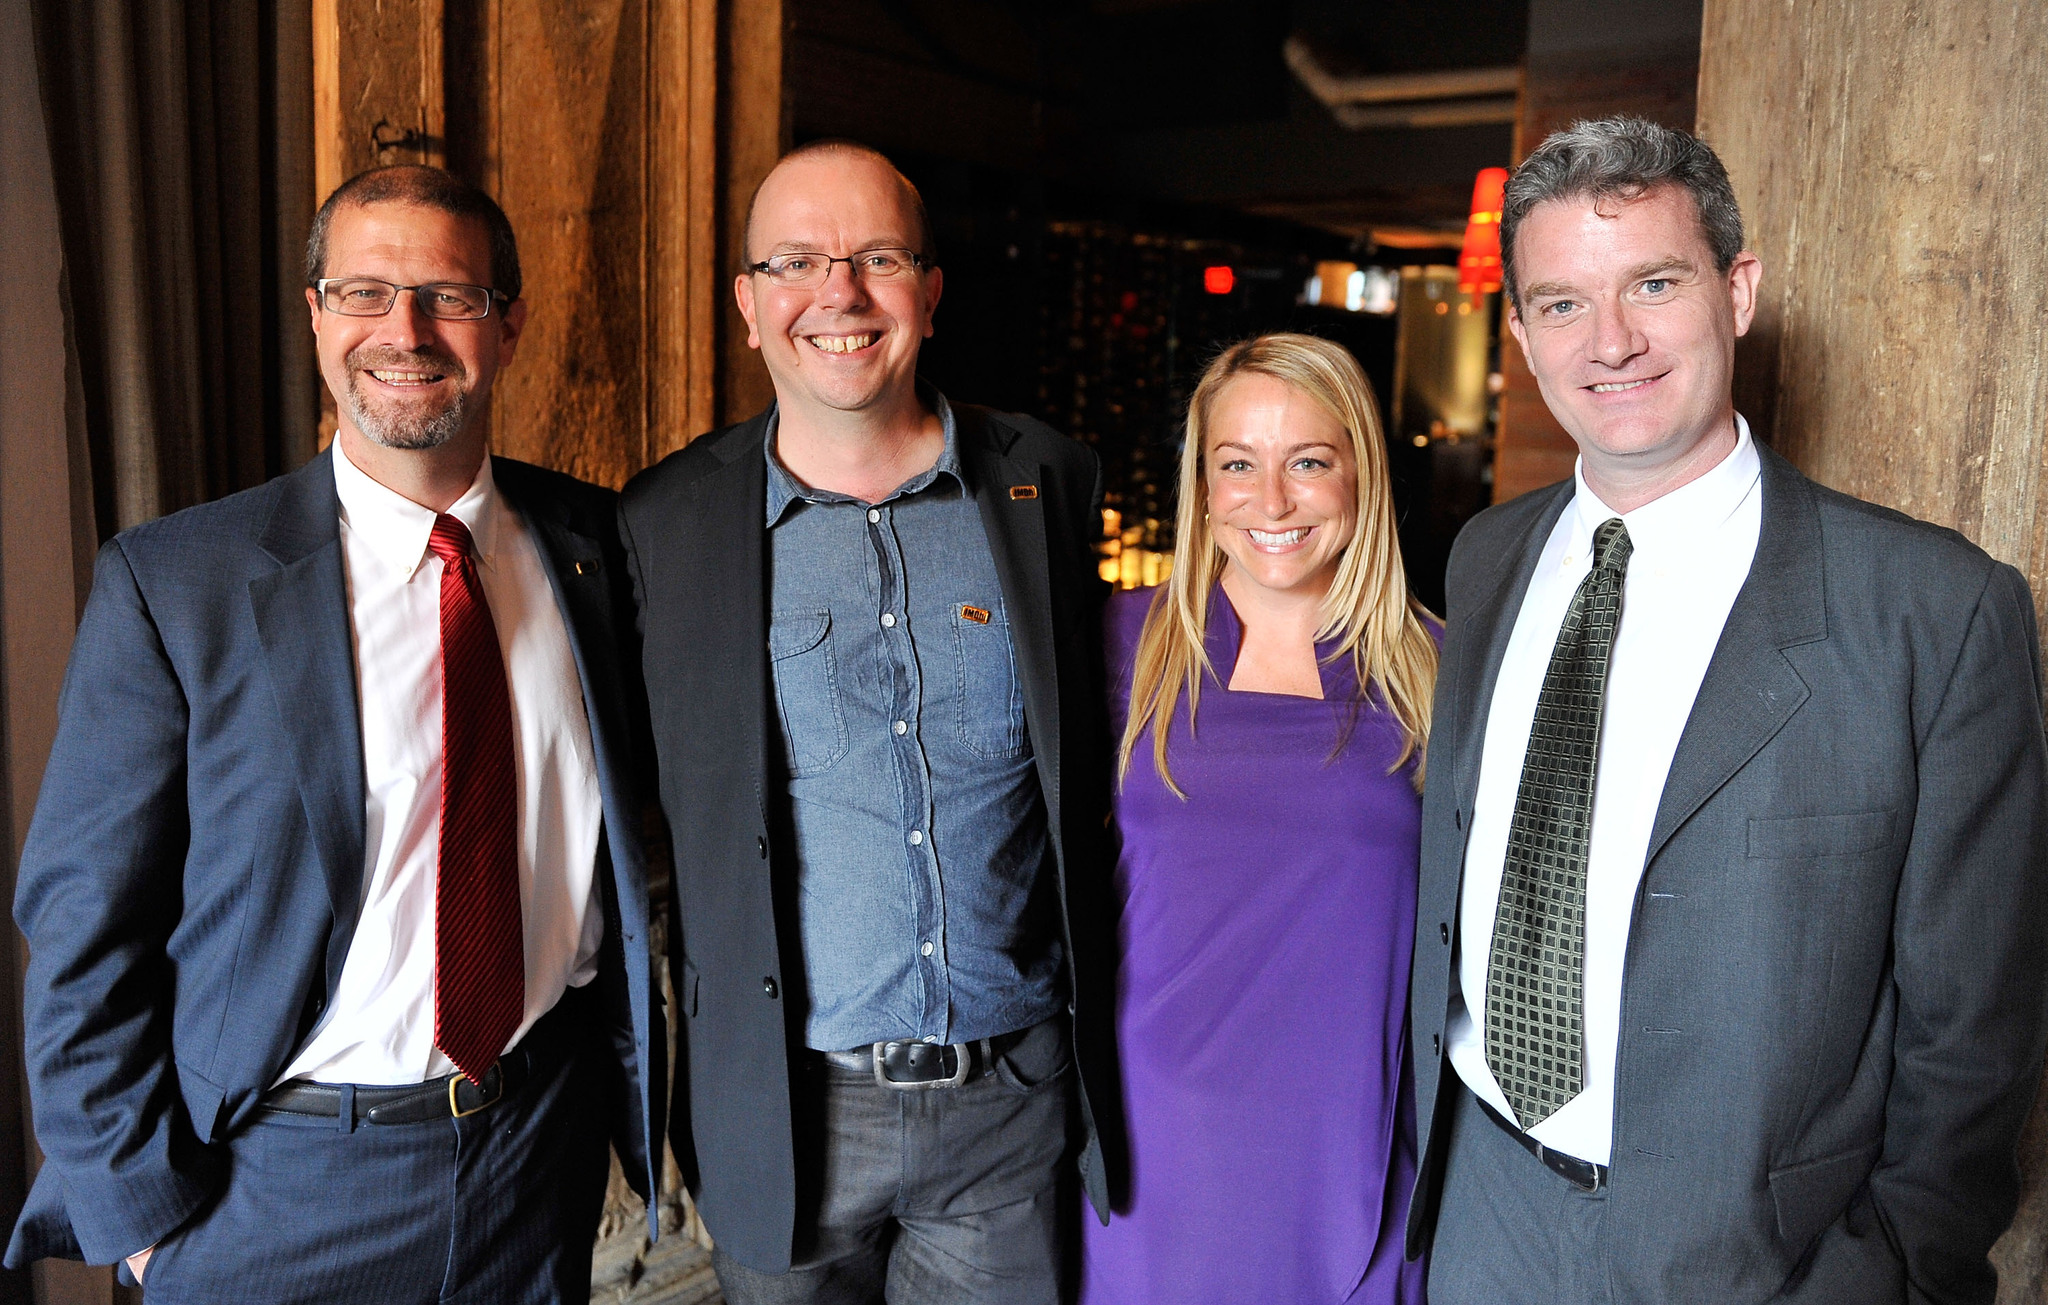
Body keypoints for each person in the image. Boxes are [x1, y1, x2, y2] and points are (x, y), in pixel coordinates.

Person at [1407, 115, 2048, 1304]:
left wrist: (1895, 1272)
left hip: (1762, 1259)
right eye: (1560, 303)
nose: (1610, 341)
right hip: (1479, 1204)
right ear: (1520, 336)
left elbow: (1977, 1027)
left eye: (1652, 283)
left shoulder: (1931, 611)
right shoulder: (1487, 558)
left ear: (1736, 290)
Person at [5, 166, 664, 1303]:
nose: (400, 332)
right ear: (316, 314)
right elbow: (80, 929)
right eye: (360, 292)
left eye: (446, 295)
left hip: (535, 1161)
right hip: (274, 1187)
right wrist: (145, 1223)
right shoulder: (177, 587)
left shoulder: (601, 550)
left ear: (508, 322)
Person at [618, 139, 1119, 1303]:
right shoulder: (663, 525)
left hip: (1010, 1107)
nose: (837, 294)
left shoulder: (1047, 481)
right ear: (748, 306)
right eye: (796, 261)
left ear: (929, 293)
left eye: (877, 257)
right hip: (787, 1109)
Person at [1082, 333, 1436, 1304]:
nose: (1270, 502)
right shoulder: (1111, 643)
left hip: (1353, 1149)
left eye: (1308, 463)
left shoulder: (1438, 672)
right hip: (1151, 1154)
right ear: (1201, 483)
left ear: (1360, 471)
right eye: (1237, 464)